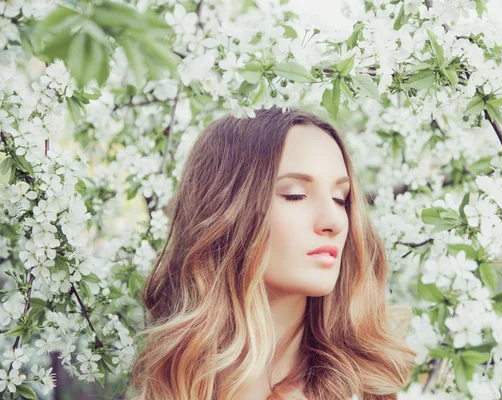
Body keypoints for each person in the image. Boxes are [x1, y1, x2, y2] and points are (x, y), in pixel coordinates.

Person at [128, 106, 416, 399]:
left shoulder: (365, 388)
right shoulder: (165, 385)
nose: (333, 221)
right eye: (295, 195)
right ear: (226, 212)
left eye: (340, 199)